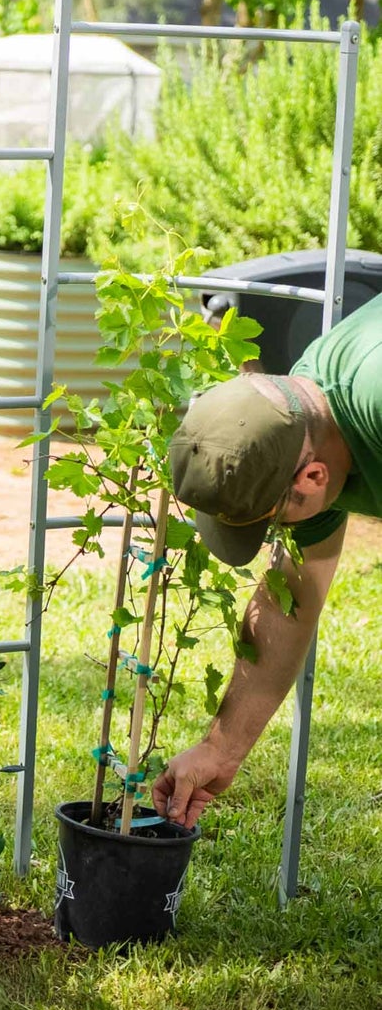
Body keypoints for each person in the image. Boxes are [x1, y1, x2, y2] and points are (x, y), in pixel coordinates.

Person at [154, 293, 382, 828]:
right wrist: (222, 749)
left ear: (313, 478)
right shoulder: (303, 415)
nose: (279, 536)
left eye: (273, 521)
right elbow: (291, 597)